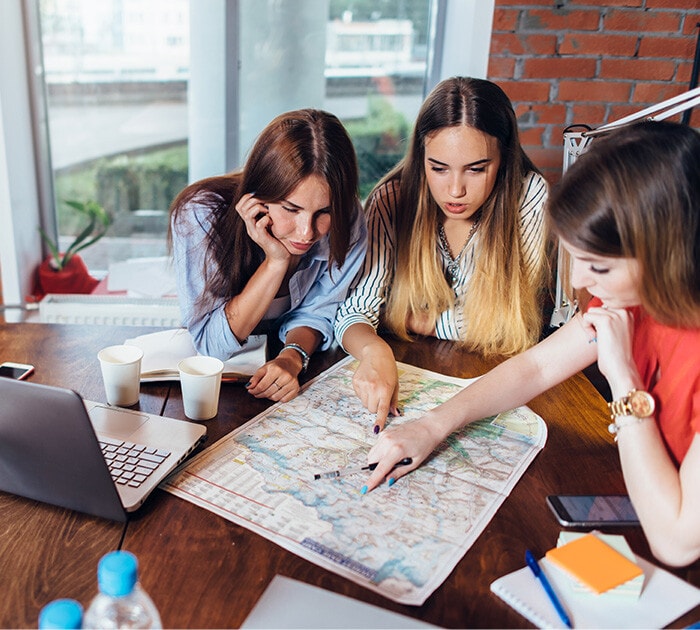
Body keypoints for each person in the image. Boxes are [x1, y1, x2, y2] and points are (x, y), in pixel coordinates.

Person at [363, 121, 700, 567]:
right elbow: (536, 368)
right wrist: (431, 425)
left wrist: (623, 381)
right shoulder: (634, 292)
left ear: (666, 252)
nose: (579, 282)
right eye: (575, 259)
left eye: (596, 267)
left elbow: (676, 544)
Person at [334, 77, 549, 432]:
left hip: (496, 389)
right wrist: (376, 351)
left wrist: (412, 318)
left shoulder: (528, 196)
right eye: (439, 168)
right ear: (421, 158)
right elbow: (354, 311)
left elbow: (510, 325)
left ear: (504, 158)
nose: (455, 190)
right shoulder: (391, 200)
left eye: (476, 169)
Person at [169, 109, 367, 402]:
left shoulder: (348, 219)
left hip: (290, 371)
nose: (306, 233)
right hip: (217, 384)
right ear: (258, 195)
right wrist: (275, 262)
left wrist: (291, 358)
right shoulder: (200, 213)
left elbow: (319, 309)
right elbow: (212, 345)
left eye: (323, 212)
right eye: (291, 209)